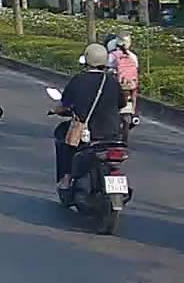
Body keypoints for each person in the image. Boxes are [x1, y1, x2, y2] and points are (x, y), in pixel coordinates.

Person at [51, 44, 127, 190]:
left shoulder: (79, 80)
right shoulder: (112, 81)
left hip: (87, 133)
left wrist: (56, 110)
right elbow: (121, 104)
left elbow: (65, 104)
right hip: (112, 132)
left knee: (63, 138)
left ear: (87, 59)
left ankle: (66, 177)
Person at [109, 32, 140, 120]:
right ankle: (134, 112)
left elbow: (106, 67)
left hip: (119, 83)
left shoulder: (113, 55)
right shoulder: (133, 56)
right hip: (131, 84)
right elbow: (136, 68)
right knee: (134, 93)